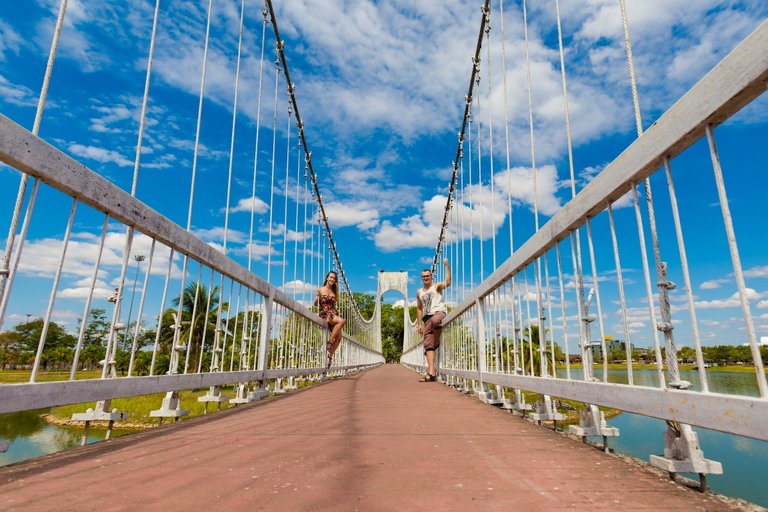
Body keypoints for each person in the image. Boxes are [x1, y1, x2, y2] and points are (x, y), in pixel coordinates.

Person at [416, 258, 451, 382]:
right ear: (421, 278)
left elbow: (448, 282)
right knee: (428, 346)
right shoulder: (419, 292)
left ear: (431, 276)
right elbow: (419, 308)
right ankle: (431, 373)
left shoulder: (436, 287)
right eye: (423, 276)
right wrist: (419, 324)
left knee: (435, 321)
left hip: (438, 313)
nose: (426, 278)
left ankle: (435, 342)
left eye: (427, 276)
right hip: (426, 318)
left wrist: (446, 266)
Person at [316, 270, 346, 369]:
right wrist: (317, 299)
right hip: (324, 313)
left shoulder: (334, 292)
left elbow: (333, 306)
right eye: (331, 277)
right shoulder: (320, 289)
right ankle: (329, 342)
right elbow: (315, 304)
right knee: (342, 321)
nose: (332, 279)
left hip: (333, 313)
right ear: (327, 278)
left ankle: (329, 356)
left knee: (339, 338)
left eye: (334, 278)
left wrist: (334, 314)